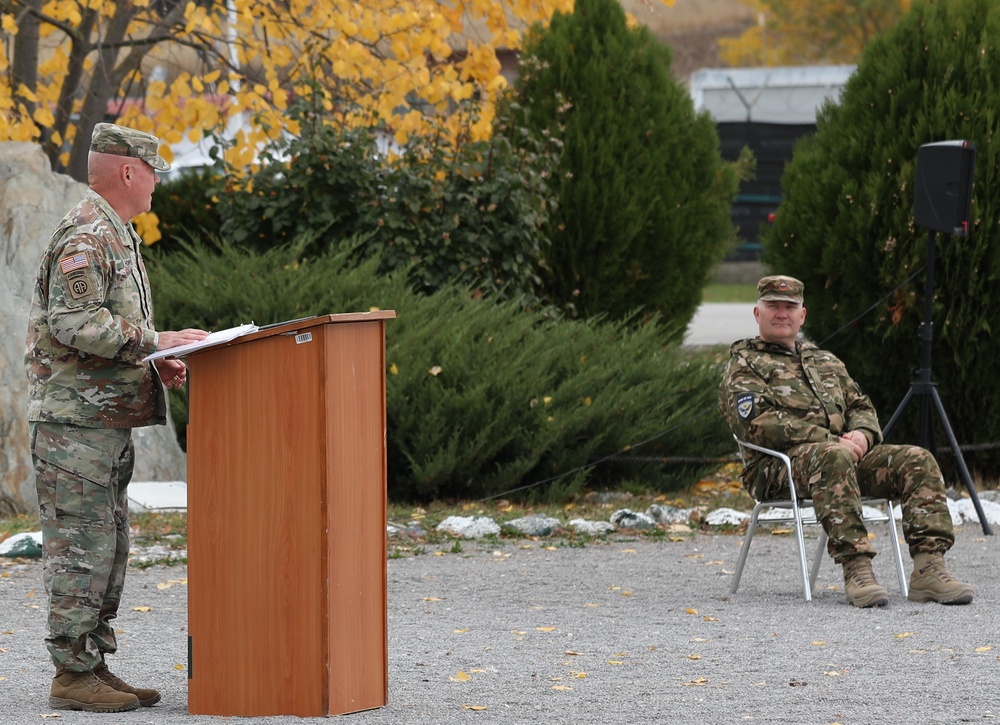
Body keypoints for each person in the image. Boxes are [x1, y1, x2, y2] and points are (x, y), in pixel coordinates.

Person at [25, 122, 210, 712]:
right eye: (154, 171)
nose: (157, 184)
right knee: (80, 547)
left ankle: (93, 666)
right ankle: (71, 675)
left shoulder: (116, 233)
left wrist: (155, 362)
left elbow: (104, 333)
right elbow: (75, 324)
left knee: (107, 546)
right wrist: (154, 341)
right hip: (74, 427)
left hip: (101, 423)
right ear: (130, 171)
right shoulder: (87, 234)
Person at [718, 275, 973, 609]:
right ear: (757, 313)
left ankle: (929, 568)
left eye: (789, 307)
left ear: (802, 315)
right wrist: (834, 440)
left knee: (916, 459)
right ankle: (857, 569)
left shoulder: (825, 361)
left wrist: (863, 436)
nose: (782, 313)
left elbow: (860, 406)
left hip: (839, 458)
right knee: (833, 456)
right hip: (777, 469)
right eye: (773, 307)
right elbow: (758, 424)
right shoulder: (744, 364)